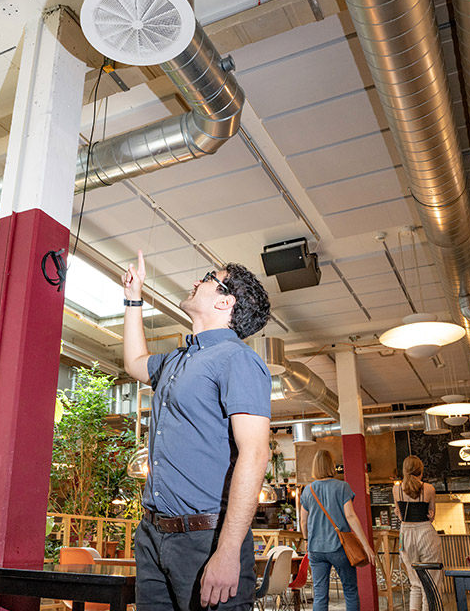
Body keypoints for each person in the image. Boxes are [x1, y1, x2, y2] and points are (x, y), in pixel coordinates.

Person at [122, 250, 273, 611]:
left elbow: (255, 453)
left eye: (207, 277)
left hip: (205, 539)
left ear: (225, 301)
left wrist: (228, 550)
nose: (195, 281)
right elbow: (134, 363)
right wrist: (133, 297)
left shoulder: (238, 360)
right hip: (152, 535)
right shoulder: (178, 359)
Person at [300, 450, 375, 611]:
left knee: (320, 595)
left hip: (316, 550)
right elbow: (350, 516)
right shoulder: (342, 487)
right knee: (350, 590)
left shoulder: (308, 490)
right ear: (332, 465)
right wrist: (366, 545)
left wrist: (306, 540)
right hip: (340, 548)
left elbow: (303, 520)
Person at [395, 455, 441, 611]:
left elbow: (401, 516)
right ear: (420, 470)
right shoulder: (429, 489)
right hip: (425, 532)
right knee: (431, 582)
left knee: (415, 582)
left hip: (406, 534)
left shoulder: (396, 489)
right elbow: (432, 515)